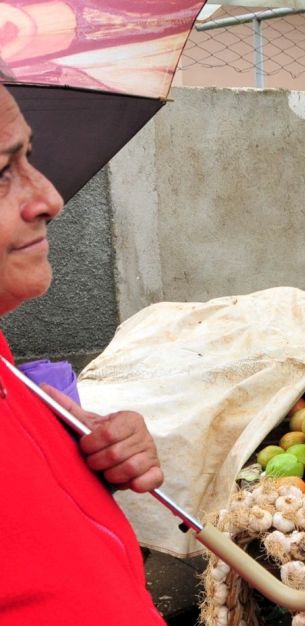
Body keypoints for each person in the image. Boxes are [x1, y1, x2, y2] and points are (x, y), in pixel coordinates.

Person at [0, 84, 166, 624]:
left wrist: (78, 466)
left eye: (29, 157)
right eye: (2, 173)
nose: (49, 197)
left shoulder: (12, 374)